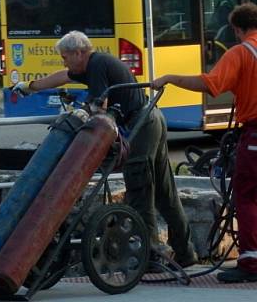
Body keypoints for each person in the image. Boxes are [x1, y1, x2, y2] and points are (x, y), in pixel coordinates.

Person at [12, 30, 198, 268]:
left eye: (66, 56)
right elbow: (64, 76)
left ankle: (150, 256)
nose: (64, 61)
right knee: (165, 191)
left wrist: (82, 114)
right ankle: (186, 252)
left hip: (140, 124)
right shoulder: (93, 64)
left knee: (140, 190)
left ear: (79, 52)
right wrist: (31, 86)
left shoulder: (96, 65)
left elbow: (98, 105)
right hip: (152, 117)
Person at [154, 2, 257, 283]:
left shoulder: (242, 52)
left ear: (237, 29)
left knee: (247, 195)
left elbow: (211, 84)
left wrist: (172, 78)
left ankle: (250, 263)